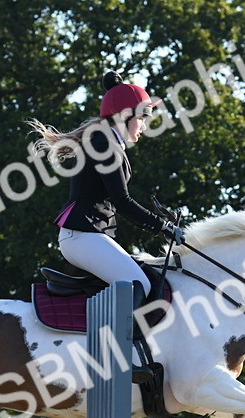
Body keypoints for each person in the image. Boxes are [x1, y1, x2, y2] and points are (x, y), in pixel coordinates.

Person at [28, 70, 185, 298]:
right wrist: (162, 226)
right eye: (141, 119)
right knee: (138, 284)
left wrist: (161, 227)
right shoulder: (105, 144)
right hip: (82, 235)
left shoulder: (108, 142)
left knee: (146, 276)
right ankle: (117, 335)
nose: (143, 127)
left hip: (88, 235)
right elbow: (122, 201)